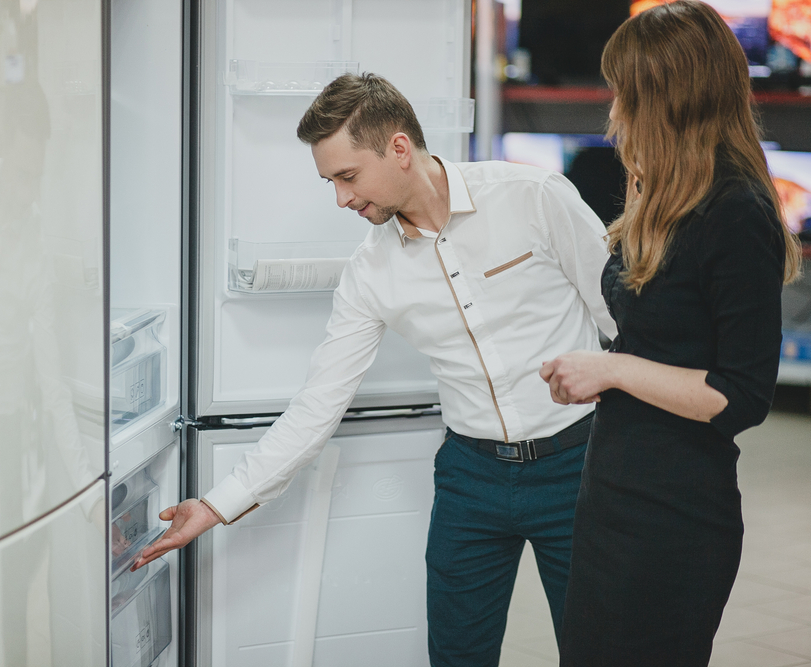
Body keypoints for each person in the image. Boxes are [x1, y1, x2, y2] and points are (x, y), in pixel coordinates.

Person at [134, 72, 616, 666]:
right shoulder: (370, 273)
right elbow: (318, 403)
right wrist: (215, 505)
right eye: (331, 181)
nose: (340, 198)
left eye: (347, 176)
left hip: (579, 465)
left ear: (399, 148)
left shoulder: (533, 196)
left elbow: (623, 318)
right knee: (458, 654)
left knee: (599, 647)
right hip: (471, 479)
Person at [538, 3, 802, 665]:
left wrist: (613, 371)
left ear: (672, 96)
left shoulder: (736, 210)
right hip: (613, 490)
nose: (616, 107)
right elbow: (660, 337)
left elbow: (741, 395)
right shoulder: (660, 190)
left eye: (627, 91)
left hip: (675, 512)